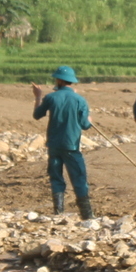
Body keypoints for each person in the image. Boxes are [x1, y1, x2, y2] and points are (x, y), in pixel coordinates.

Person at [32, 65, 95, 219]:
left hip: (53, 145)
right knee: (79, 177)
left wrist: (38, 96)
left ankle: (59, 211)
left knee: (56, 176)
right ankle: (86, 215)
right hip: (71, 145)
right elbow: (85, 125)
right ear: (71, 82)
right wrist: (89, 120)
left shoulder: (50, 98)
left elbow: (37, 115)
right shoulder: (80, 100)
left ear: (59, 80)